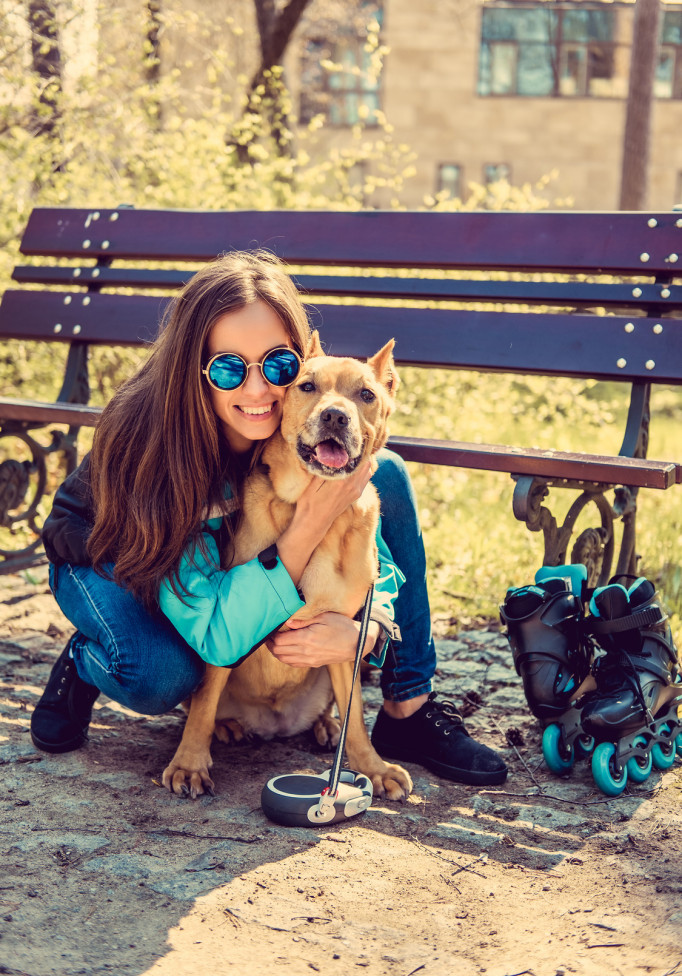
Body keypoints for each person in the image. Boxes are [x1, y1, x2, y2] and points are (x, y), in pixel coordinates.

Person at [31, 251, 507, 789]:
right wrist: (309, 519)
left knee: (387, 475)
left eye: (278, 366)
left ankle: (410, 711)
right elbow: (220, 632)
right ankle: (88, 656)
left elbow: (374, 569)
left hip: (211, 578)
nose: (258, 390)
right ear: (196, 369)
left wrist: (365, 630)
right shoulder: (160, 446)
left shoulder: (288, 446)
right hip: (105, 553)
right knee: (159, 675)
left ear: (298, 359)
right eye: (230, 367)